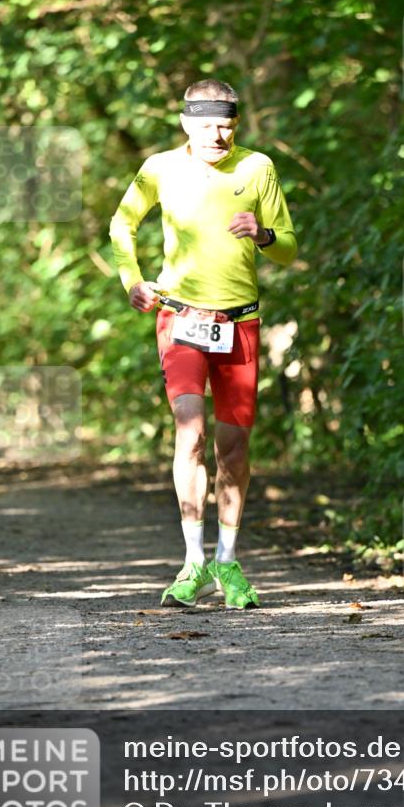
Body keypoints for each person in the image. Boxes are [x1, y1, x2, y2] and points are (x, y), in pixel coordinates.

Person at [109, 79, 297, 609]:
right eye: (209, 123)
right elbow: (122, 225)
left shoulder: (256, 168)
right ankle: (192, 561)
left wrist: (263, 235)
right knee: (189, 431)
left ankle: (227, 561)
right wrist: (133, 280)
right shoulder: (160, 168)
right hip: (181, 318)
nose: (219, 134)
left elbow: (287, 248)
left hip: (241, 324)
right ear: (187, 122)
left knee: (233, 450)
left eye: (228, 124)